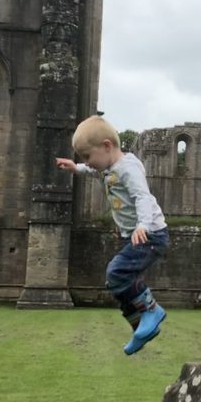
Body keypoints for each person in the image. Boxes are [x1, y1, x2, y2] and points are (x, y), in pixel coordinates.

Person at [56, 116, 169, 355]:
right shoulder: (109, 167)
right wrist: (76, 168)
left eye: (87, 156)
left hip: (151, 234)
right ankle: (141, 327)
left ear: (107, 146)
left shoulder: (127, 168)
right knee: (116, 282)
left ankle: (152, 311)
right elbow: (93, 169)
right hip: (136, 235)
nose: (87, 161)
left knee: (116, 272)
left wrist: (143, 226)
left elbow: (143, 197)